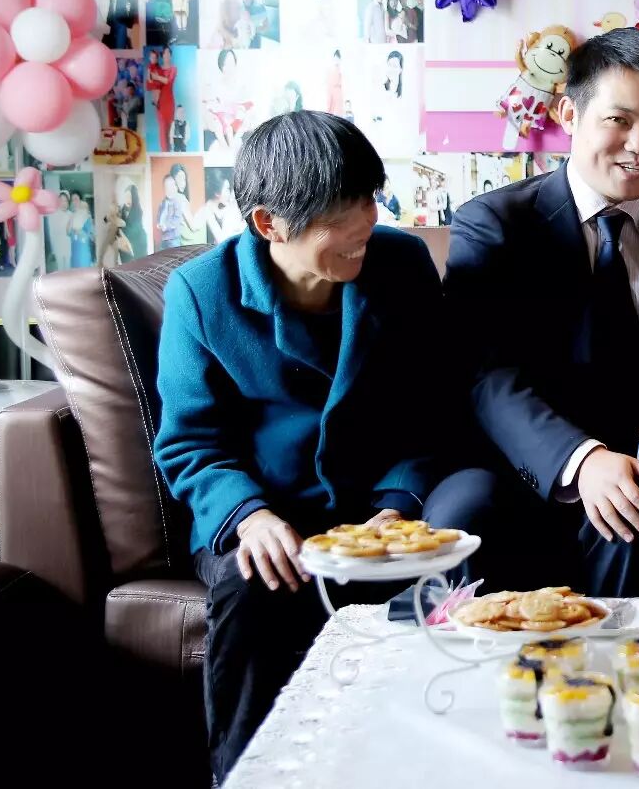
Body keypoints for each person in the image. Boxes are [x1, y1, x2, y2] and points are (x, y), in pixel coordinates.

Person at [153, 111, 463, 781]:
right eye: (339, 214)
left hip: (376, 506)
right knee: (253, 585)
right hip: (264, 511)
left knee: (450, 557)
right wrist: (249, 517)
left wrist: (397, 504)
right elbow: (190, 442)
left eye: (369, 200)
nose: (365, 224)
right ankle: (244, 774)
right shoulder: (201, 294)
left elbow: (433, 405)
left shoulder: (400, 264)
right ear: (269, 223)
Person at [440, 26, 639, 596]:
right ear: (569, 113)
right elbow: (483, 374)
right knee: (464, 512)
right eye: (619, 120)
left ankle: (626, 657)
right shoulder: (496, 224)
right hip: (519, 463)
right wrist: (581, 459)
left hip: (636, 466)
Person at [147, 46, 178, 150]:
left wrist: (155, 77)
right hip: (160, 103)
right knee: (162, 129)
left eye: (169, 53)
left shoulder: (173, 69)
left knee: (170, 130)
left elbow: (168, 81)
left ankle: (169, 152)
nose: (167, 55)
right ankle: (164, 152)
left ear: (171, 55)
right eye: (165, 53)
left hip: (170, 103)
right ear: (162, 55)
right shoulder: (158, 69)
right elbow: (151, 83)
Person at [120, 184, 149, 262]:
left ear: (134, 197)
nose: (127, 199)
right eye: (125, 196)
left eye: (129, 197)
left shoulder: (138, 211)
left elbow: (133, 230)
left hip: (138, 244)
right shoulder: (122, 210)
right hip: (126, 246)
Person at [67, 193, 95, 267]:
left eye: (76, 199)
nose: (74, 201)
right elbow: (68, 232)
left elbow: (92, 235)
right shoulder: (71, 215)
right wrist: (72, 217)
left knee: (84, 268)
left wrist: (80, 232)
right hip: (75, 248)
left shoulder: (86, 215)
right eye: (72, 200)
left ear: (80, 201)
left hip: (84, 249)